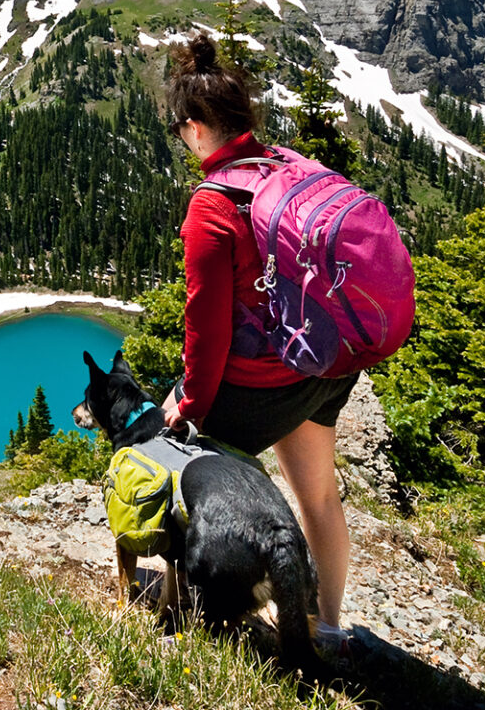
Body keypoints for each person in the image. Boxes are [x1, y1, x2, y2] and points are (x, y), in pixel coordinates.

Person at [160, 31, 356, 646]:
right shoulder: (289, 165)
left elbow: (207, 329)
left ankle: (202, 604)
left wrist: (185, 408)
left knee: (173, 461)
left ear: (195, 128)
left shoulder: (211, 206)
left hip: (267, 380)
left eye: (180, 133)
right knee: (319, 494)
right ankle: (328, 626)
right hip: (323, 363)